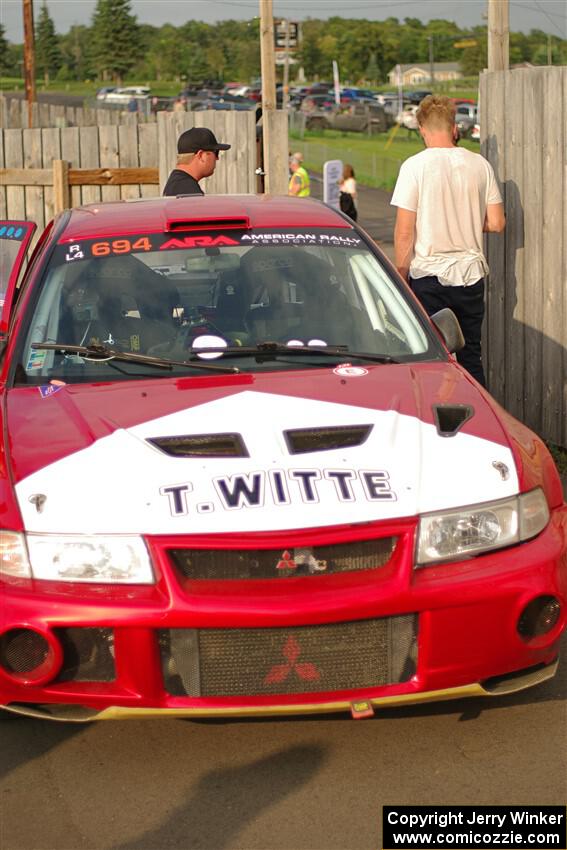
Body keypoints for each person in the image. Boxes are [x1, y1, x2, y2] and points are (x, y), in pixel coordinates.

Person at [391, 94, 505, 386]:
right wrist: (463, 218)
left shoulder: (414, 166)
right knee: (470, 356)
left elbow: (405, 232)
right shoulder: (480, 165)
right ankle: (480, 421)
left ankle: (437, 422)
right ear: (455, 129)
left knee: (432, 358)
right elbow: (496, 222)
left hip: (429, 277)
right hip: (471, 276)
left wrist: (401, 280)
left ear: (422, 129)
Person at [162, 127, 231, 197]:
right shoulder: (189, 192)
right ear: (200, 155)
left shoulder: (177, 184)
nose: (217, 158)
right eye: (216, 153)